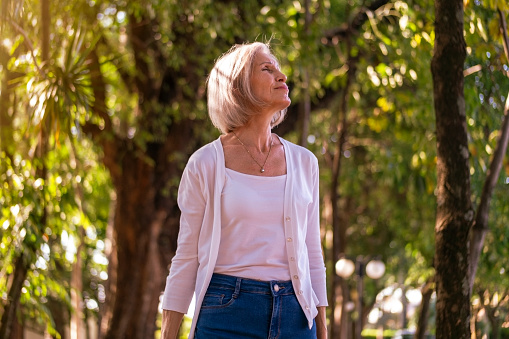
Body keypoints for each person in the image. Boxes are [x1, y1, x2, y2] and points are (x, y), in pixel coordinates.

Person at [160, 41, 328, 339]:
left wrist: (323, 330)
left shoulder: (305, 162)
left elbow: (312, 254)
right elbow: (186, 258)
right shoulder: (205, 163)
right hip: (226, 310)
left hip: (297, 315)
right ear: (237, 87)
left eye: (278, 68)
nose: (282, 76)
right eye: (267, 69)